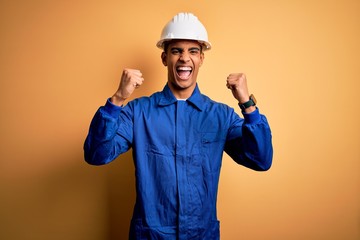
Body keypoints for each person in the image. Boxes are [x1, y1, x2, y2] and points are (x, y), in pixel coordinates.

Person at [84, 12, 273, 240]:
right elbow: (96, 154)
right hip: (151, 236)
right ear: (165, 58)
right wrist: (117, 99)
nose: (185, 58)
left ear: (201, 58)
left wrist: (247, 104)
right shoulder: (138, 112)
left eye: (193, 51)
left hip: (201, 235)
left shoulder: (220, 115)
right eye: (176, 51)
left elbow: (261, 160)